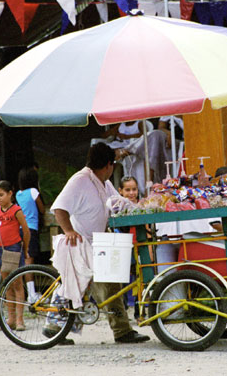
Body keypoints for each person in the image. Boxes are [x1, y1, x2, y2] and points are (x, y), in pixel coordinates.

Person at [48, 143, 150, 344]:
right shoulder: (80, 181)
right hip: (82, 243)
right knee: (75, 287)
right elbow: (59, 208)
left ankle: (122, 331)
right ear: (108, 165)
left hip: (99, 242)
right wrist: (68, 230)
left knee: (111, 285)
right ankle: (53, 329)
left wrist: (142, 208)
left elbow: (118, 201)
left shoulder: (103, 182)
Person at [0, 180, 30, 331]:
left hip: (14, 247)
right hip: (0, 247)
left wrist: (25, 249)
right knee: (6, 282)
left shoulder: (16, 210)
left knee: (17, 284)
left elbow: (26, 231)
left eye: (1, 195)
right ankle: (11, 319)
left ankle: (20, 320)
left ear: (10, 193)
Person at [16, 166, 44, 266]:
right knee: (29, 258)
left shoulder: (18, 194)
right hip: (31, 228)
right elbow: (42, 209)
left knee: (22, 258)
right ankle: (30, 282)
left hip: (19, 228)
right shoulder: (33, 191)